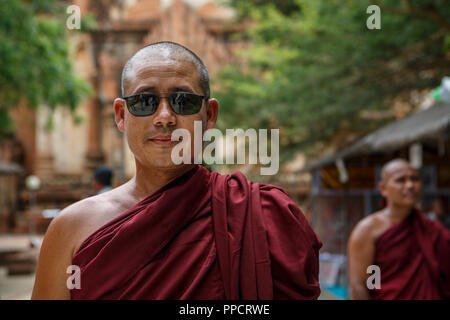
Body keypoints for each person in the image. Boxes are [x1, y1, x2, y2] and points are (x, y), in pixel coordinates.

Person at [31, 41, 322, 300]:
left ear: (209, 115)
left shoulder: (262, 213)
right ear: (121, 116)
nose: (165, 118)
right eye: (145, 102)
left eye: (184, 101)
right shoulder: (72, 228)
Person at [347, 159, 450, 300]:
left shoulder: (432, 228)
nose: (410, 185)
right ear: (383, 188)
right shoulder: (368, 230)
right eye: (401, 180)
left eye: (415, 179)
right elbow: (359, 285)